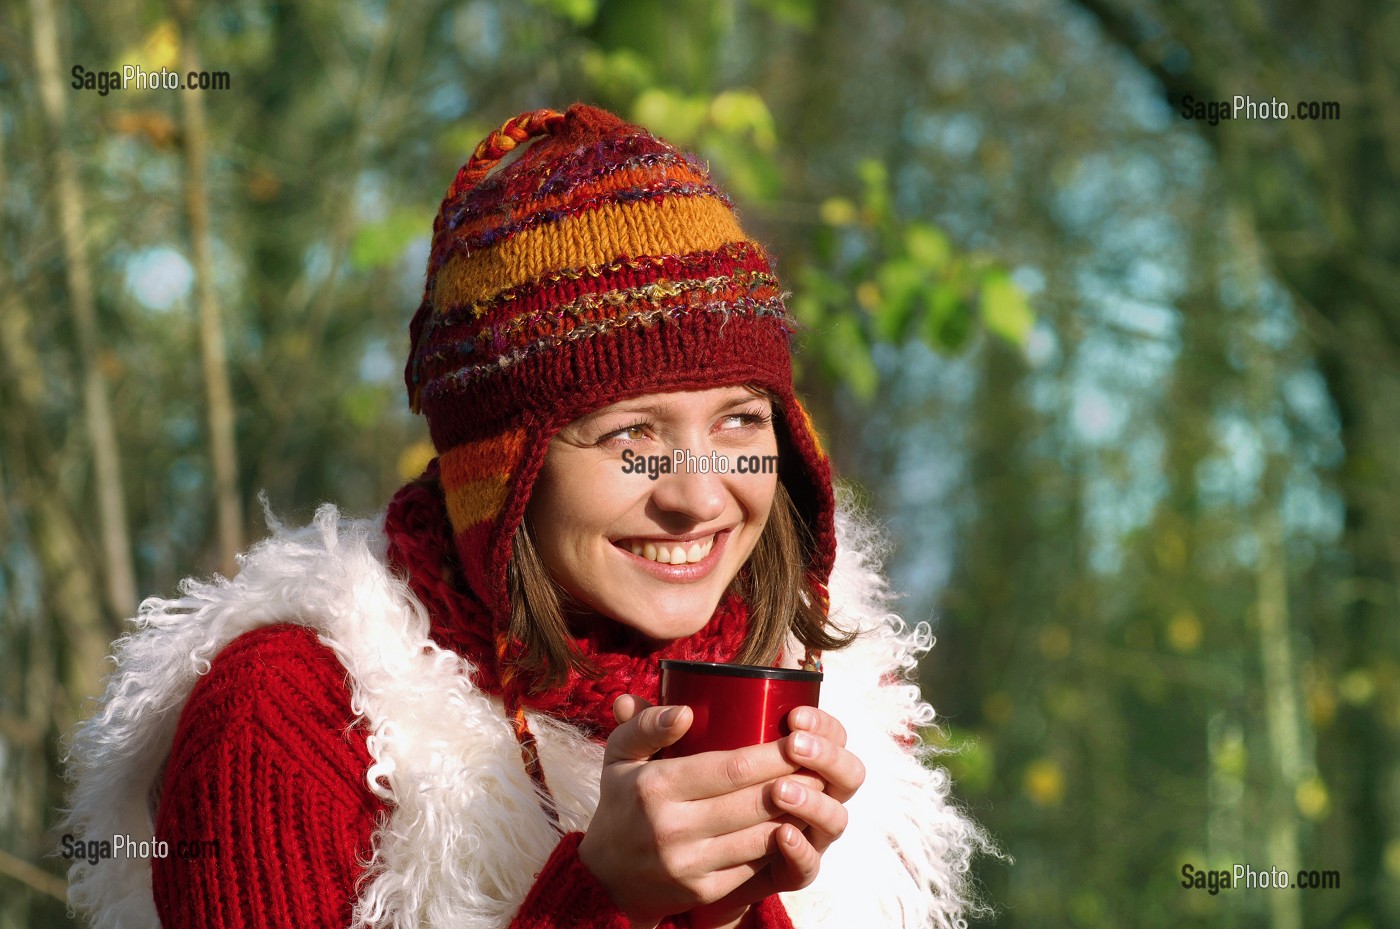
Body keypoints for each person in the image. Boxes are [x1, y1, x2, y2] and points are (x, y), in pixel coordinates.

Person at [63, 104, 989, 928]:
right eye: (632, 434)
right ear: (502, 476)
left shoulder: (831, 702)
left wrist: (730, 912)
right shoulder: (291, 717)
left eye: (740, 419)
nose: (701, 495)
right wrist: (602, 896)